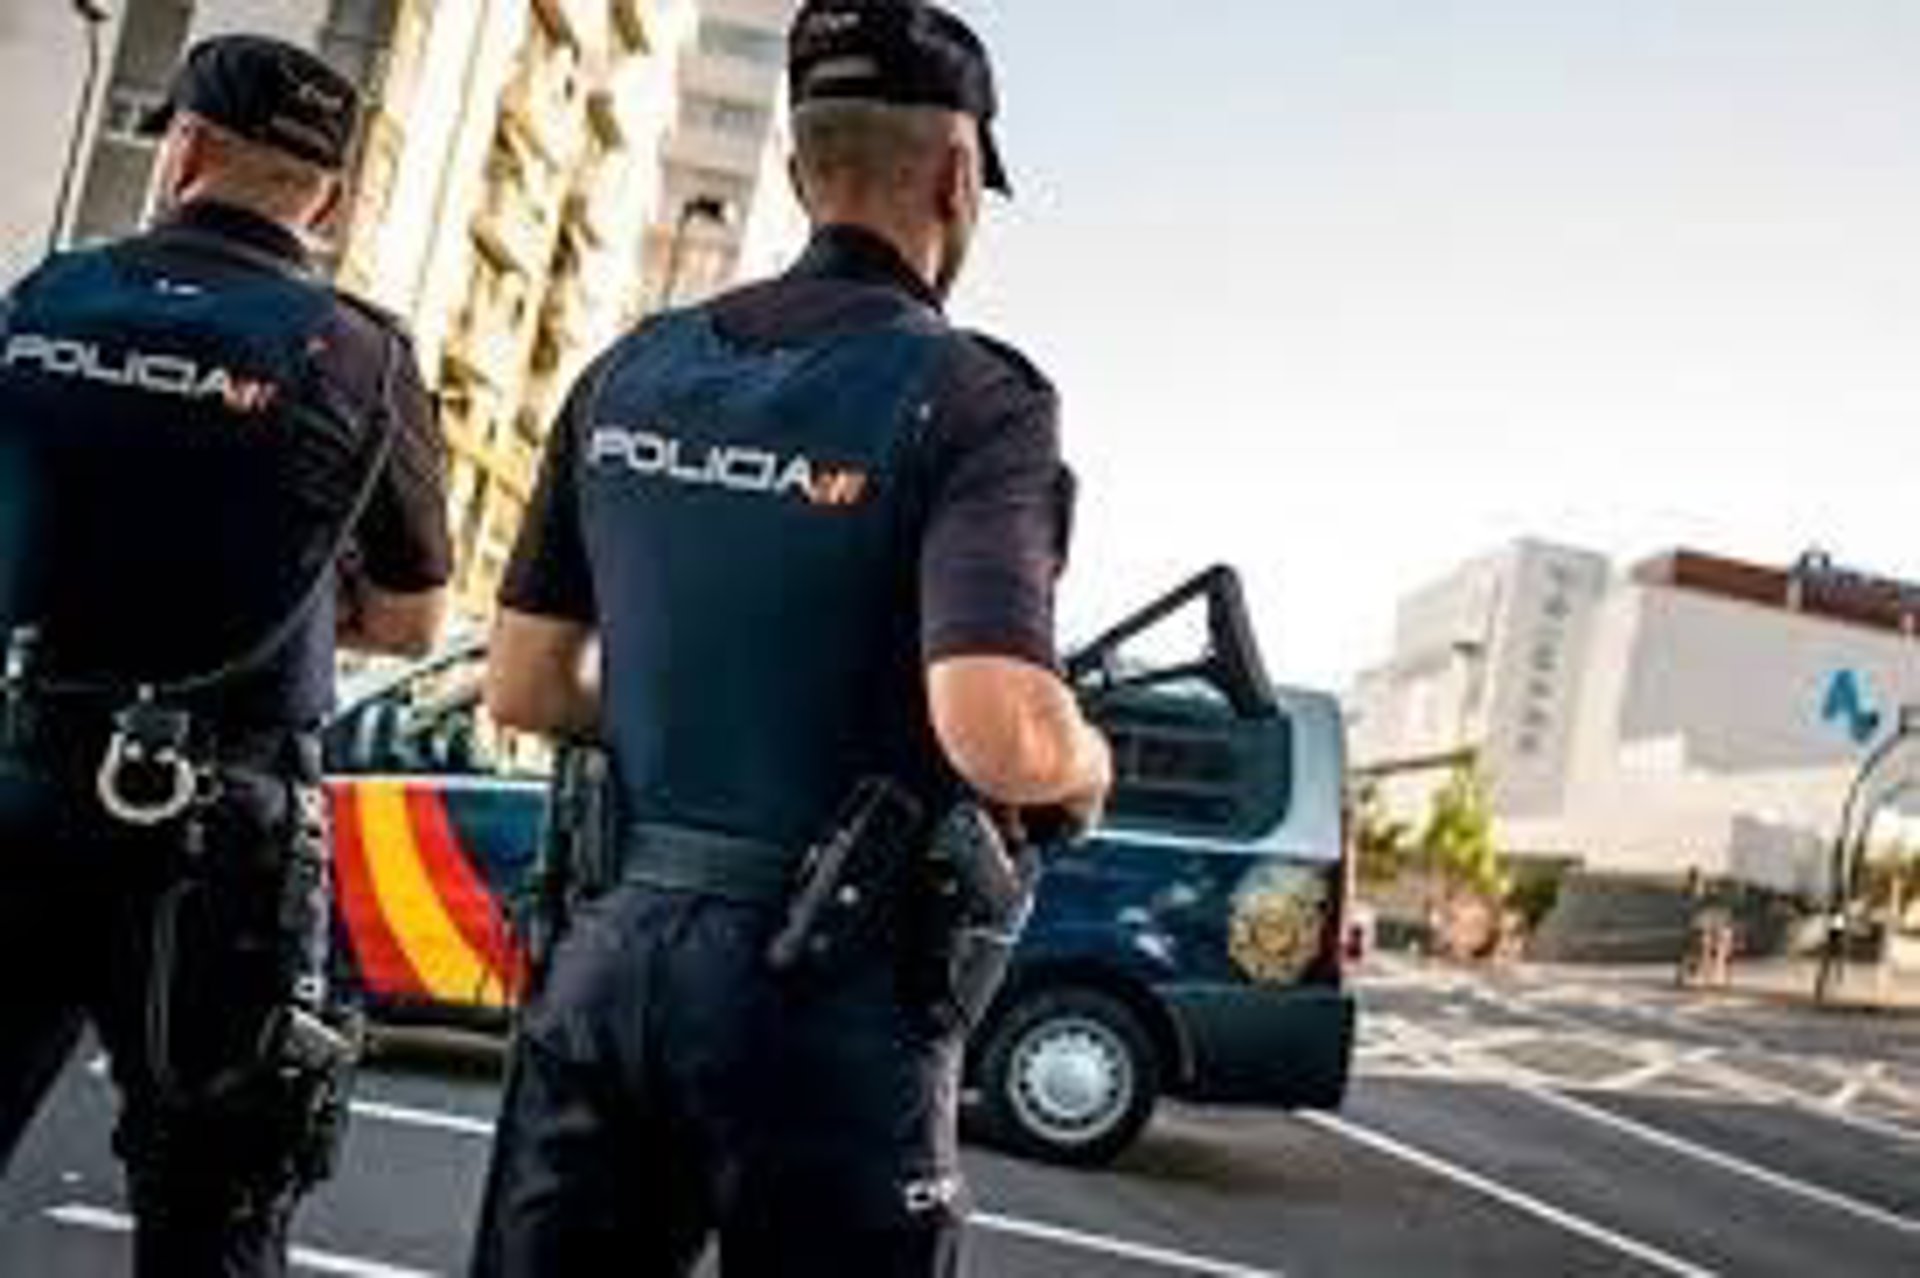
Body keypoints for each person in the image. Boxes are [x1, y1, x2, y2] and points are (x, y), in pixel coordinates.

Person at [470, 2, 1111, 1273]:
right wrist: (1082, 761)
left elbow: (526, 683)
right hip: (829, 1001)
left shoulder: (628, 371)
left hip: (608, 963)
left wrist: (697, 703)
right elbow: (999, 731)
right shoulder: (976, 397)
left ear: (794, 163)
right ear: (958, 174)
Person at [0, 34, 450, 1276]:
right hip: (223, 839)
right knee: (212, 1212)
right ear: (331, 200)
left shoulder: (42, 300)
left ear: (184, 151)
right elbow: (413, 623)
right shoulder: (363, 353)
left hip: (23, 782)